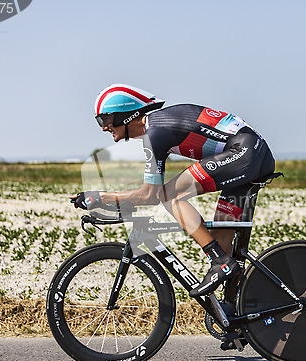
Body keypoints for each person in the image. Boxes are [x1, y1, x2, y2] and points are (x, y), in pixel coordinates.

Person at [71, 84, 275, 297]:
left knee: (170, 196)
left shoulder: (156, 133)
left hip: (243, 153)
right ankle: (241, 307)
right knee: (220, 238)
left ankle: (220, 262)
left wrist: (100, 197)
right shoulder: (158, 128)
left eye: (105, 120)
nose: (104, 127)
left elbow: (150, 195)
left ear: (126, 116)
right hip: (251, 153)